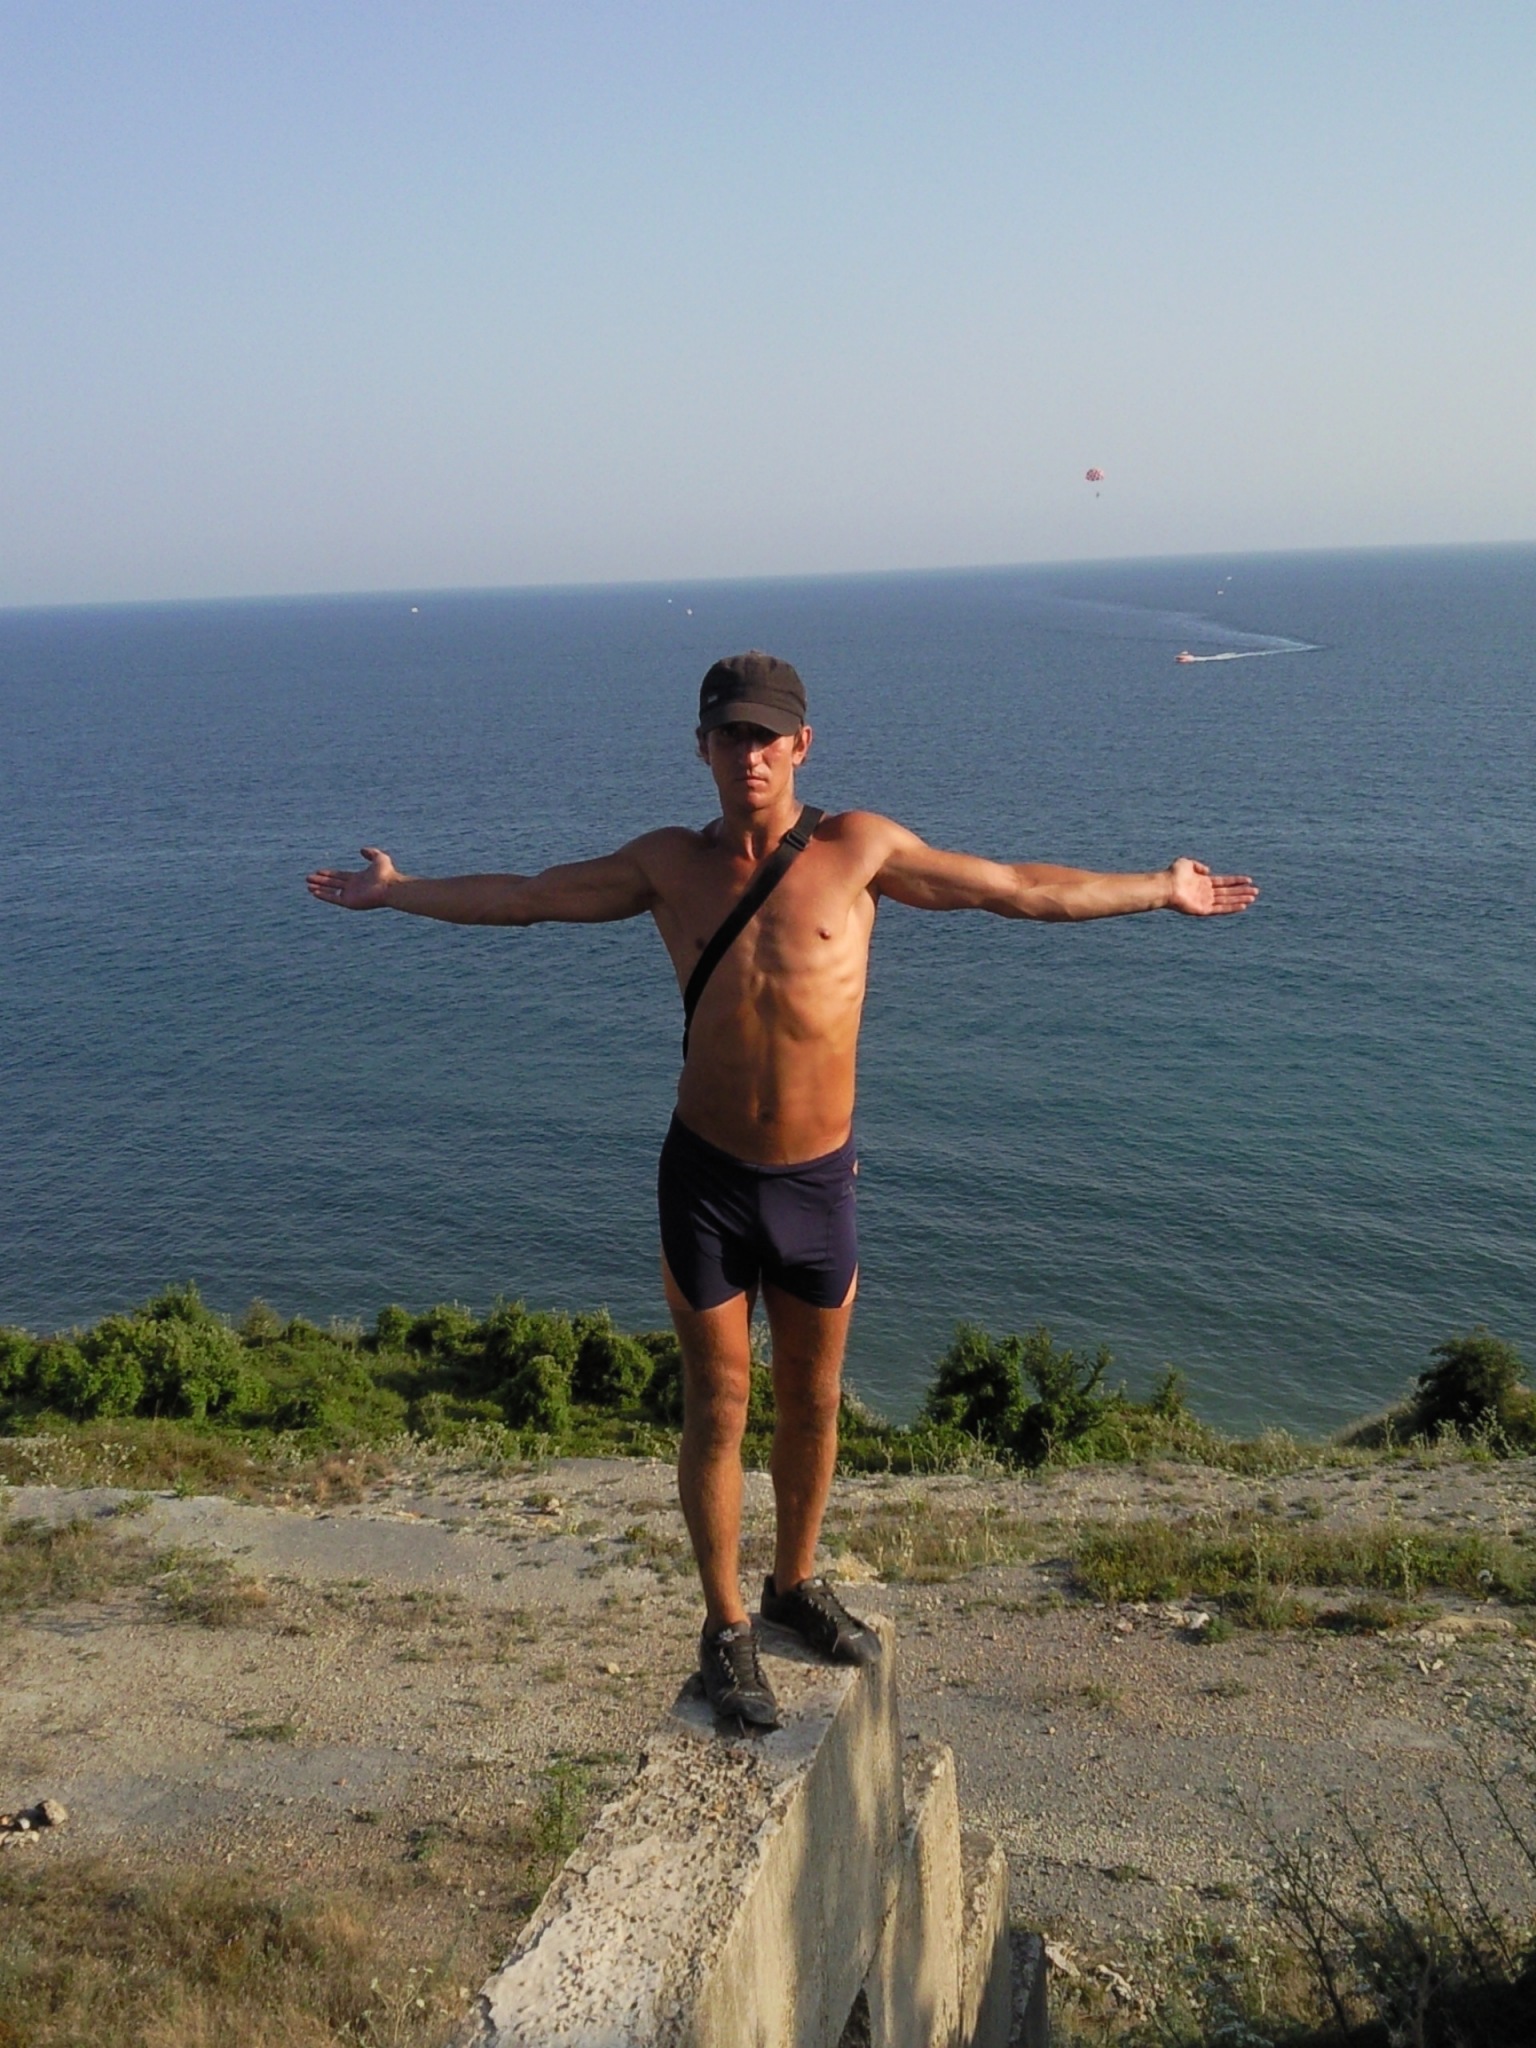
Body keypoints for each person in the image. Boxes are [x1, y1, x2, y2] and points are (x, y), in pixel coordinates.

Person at [308, 650, 1257, 1729]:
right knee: (718, 1404)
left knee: (812, 1399)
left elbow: (1015, 888)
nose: (749, 754)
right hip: (706, 1178)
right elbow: (526, 899)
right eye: (731, 735)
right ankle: (725, 1627)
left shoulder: (860, 850)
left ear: (802, 744)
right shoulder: (669, 864)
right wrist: (399, 891)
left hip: (816, 1182)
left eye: (767, 736)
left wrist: (1158, 888)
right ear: (702, 747)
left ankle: (793, 1584)